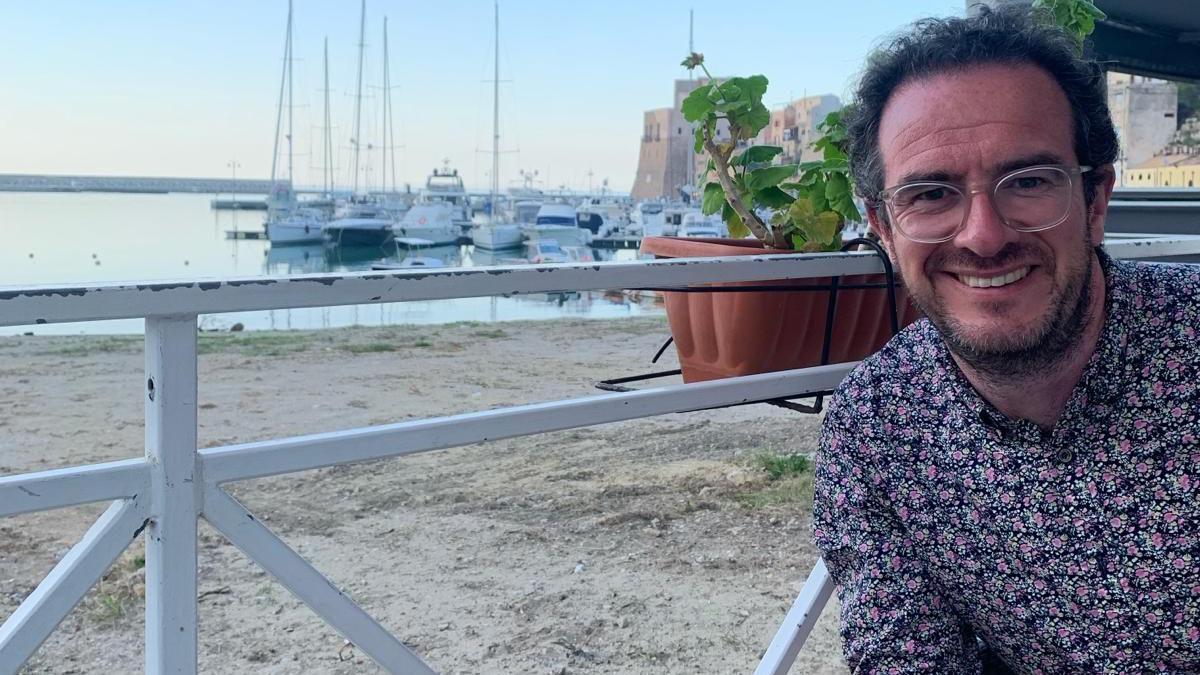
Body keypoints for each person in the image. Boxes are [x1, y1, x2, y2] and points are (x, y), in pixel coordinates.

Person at [811, 7, 1200, 673]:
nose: (983, 236)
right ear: (883, 228)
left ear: (1096, 199)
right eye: (931, 194)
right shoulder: (875, 428)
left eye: (1027, 182)